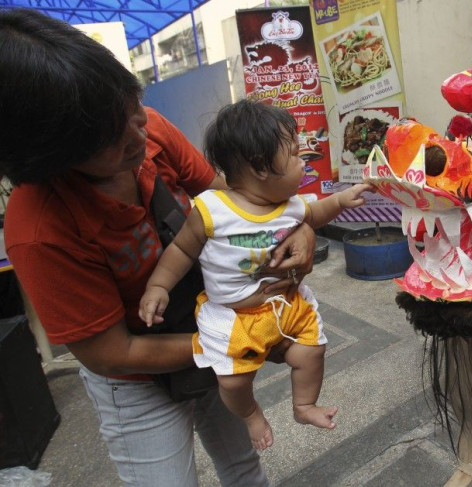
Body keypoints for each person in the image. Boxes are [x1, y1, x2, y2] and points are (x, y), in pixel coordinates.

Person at [0, 9, 316, 486]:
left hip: (205, 323)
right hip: (137, 377)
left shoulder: (148, 133)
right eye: (110, 137)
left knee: (242, 463)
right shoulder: (40, 228)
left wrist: (300, 226)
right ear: (53, 157)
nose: (138, 135)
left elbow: (240, 203)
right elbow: (112, 352)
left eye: (133, 109)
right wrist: (230, 341)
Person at [139, 99, 371, 451]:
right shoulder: (212, 208)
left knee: (312, 352)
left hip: (286, 307)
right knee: (232, 382)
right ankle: (249, 415)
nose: (303, 160)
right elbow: (183, 250)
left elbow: (316, 213)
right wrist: (158, 285)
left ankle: (303, 405)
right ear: (261, 167)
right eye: (294, 155)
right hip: (235, 317)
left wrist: (341, 200)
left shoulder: (291, 205)